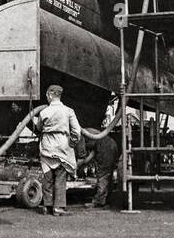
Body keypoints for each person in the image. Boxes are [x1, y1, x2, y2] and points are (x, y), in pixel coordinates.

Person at [35, 84, 81, 216]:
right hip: (62, 146)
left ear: (50, 95)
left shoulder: (44, 112)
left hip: (47, 146)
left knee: (47, 177)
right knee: (60, 178)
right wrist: (72, 142)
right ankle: (59, 207)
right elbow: (77, 131)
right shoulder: (68, 111)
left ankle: (47, 206)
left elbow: (39, 128)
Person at [87, 122, 122, 209]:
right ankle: (105, 199)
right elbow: (90, 155)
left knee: (103, 174)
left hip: (105, 146)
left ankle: (99, 200)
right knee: (107, 174)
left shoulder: (78, 134)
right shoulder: (85, 131)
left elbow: (83, 159)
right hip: (110, 144)